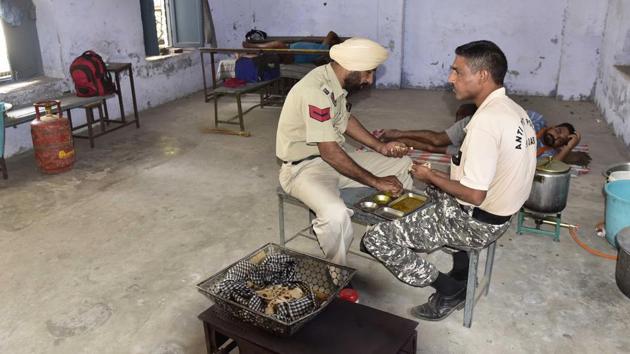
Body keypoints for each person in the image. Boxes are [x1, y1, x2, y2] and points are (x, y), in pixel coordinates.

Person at [362, 40, 537, 321]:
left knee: (376, 239)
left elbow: (474, 195)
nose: (450, 78)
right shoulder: (514, 111)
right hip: (502, 215)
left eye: (457, 71)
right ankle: (463, 270)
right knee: (431, 189)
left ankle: (451, 289)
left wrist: (430, 174)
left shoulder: (485, 123)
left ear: (482, 75)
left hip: (477, 222)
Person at [276, 37, 414, 266]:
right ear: (352, 67)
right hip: (304, 169)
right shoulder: (316, 91)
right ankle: (337, 271)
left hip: (335, 159)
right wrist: (376, 181)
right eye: (368, 73)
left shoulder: (333, 81)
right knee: (335, 216)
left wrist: (380, 147)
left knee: (403, 165)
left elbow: (346, 119)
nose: (369, 80)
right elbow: (329, 153)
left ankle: (379, 239)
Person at [381, 106, 588, 164]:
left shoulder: (546, 155)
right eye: (558, 131)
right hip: (479, 126)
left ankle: (399, 141)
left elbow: (553, 168)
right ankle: (399, 132)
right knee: (437, 138)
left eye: (562, 139)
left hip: (480, 150)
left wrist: (568, 148)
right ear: (553, 126)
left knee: (432, 148)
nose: (557, 137)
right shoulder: (537, 120)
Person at [243, 31, 342, 65]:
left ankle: (254, 46)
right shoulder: (322, 48)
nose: (328, 39)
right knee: (274, 50)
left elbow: (331, 33)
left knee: (278, 45)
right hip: (289, 50)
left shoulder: (324, 49)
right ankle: (254, 53)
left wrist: (336, 40)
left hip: (292, 57)